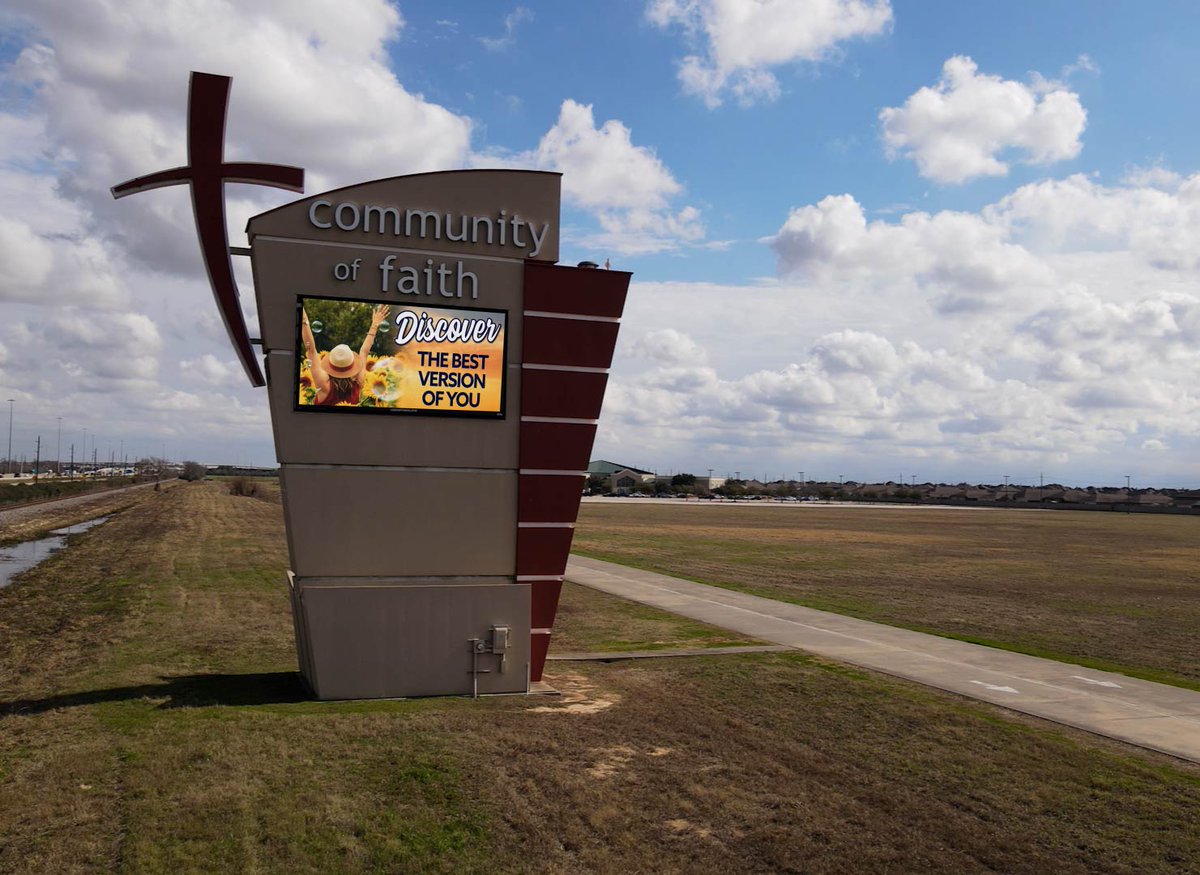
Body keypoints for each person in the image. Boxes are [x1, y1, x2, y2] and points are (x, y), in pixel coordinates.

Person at [300, 303, 390, 405]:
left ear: (331, 364)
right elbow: (364, 352)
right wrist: (375, 324)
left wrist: (303, 318)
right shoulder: (358, 384)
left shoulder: (324, 385)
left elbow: (311, 350)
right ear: (352, 365)